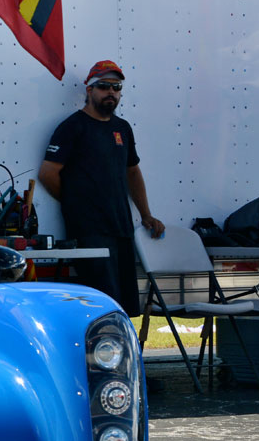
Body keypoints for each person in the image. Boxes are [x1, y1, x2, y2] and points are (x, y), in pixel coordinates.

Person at [39, 60, 165, 316]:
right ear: (90, 90)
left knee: (125, 307)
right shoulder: (73, 127)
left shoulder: (122, 128)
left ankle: (122, 344)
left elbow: (132, 172)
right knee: (102, 307)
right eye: (104, 86)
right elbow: (47, 173)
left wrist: (146, 214)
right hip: (90, 233)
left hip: (122, 229)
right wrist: (75, 203)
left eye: (116, 87)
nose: (111, 92)